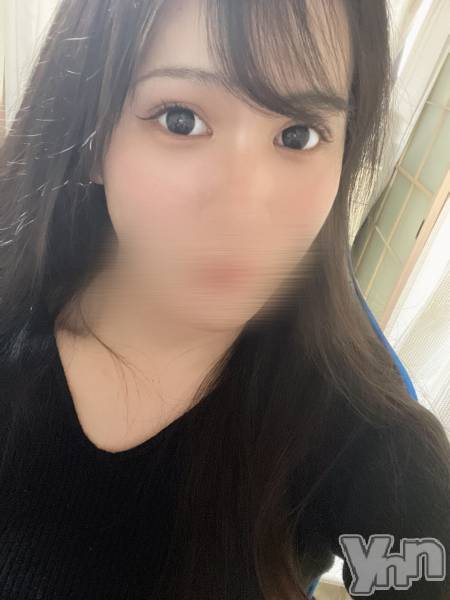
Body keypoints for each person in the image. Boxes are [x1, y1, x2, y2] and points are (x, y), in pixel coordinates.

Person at [0, 0, 449, 598]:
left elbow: (420, 569)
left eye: (298, 134)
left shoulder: (362, 438)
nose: (244, 208)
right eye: (180, 120)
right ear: (90, 135)